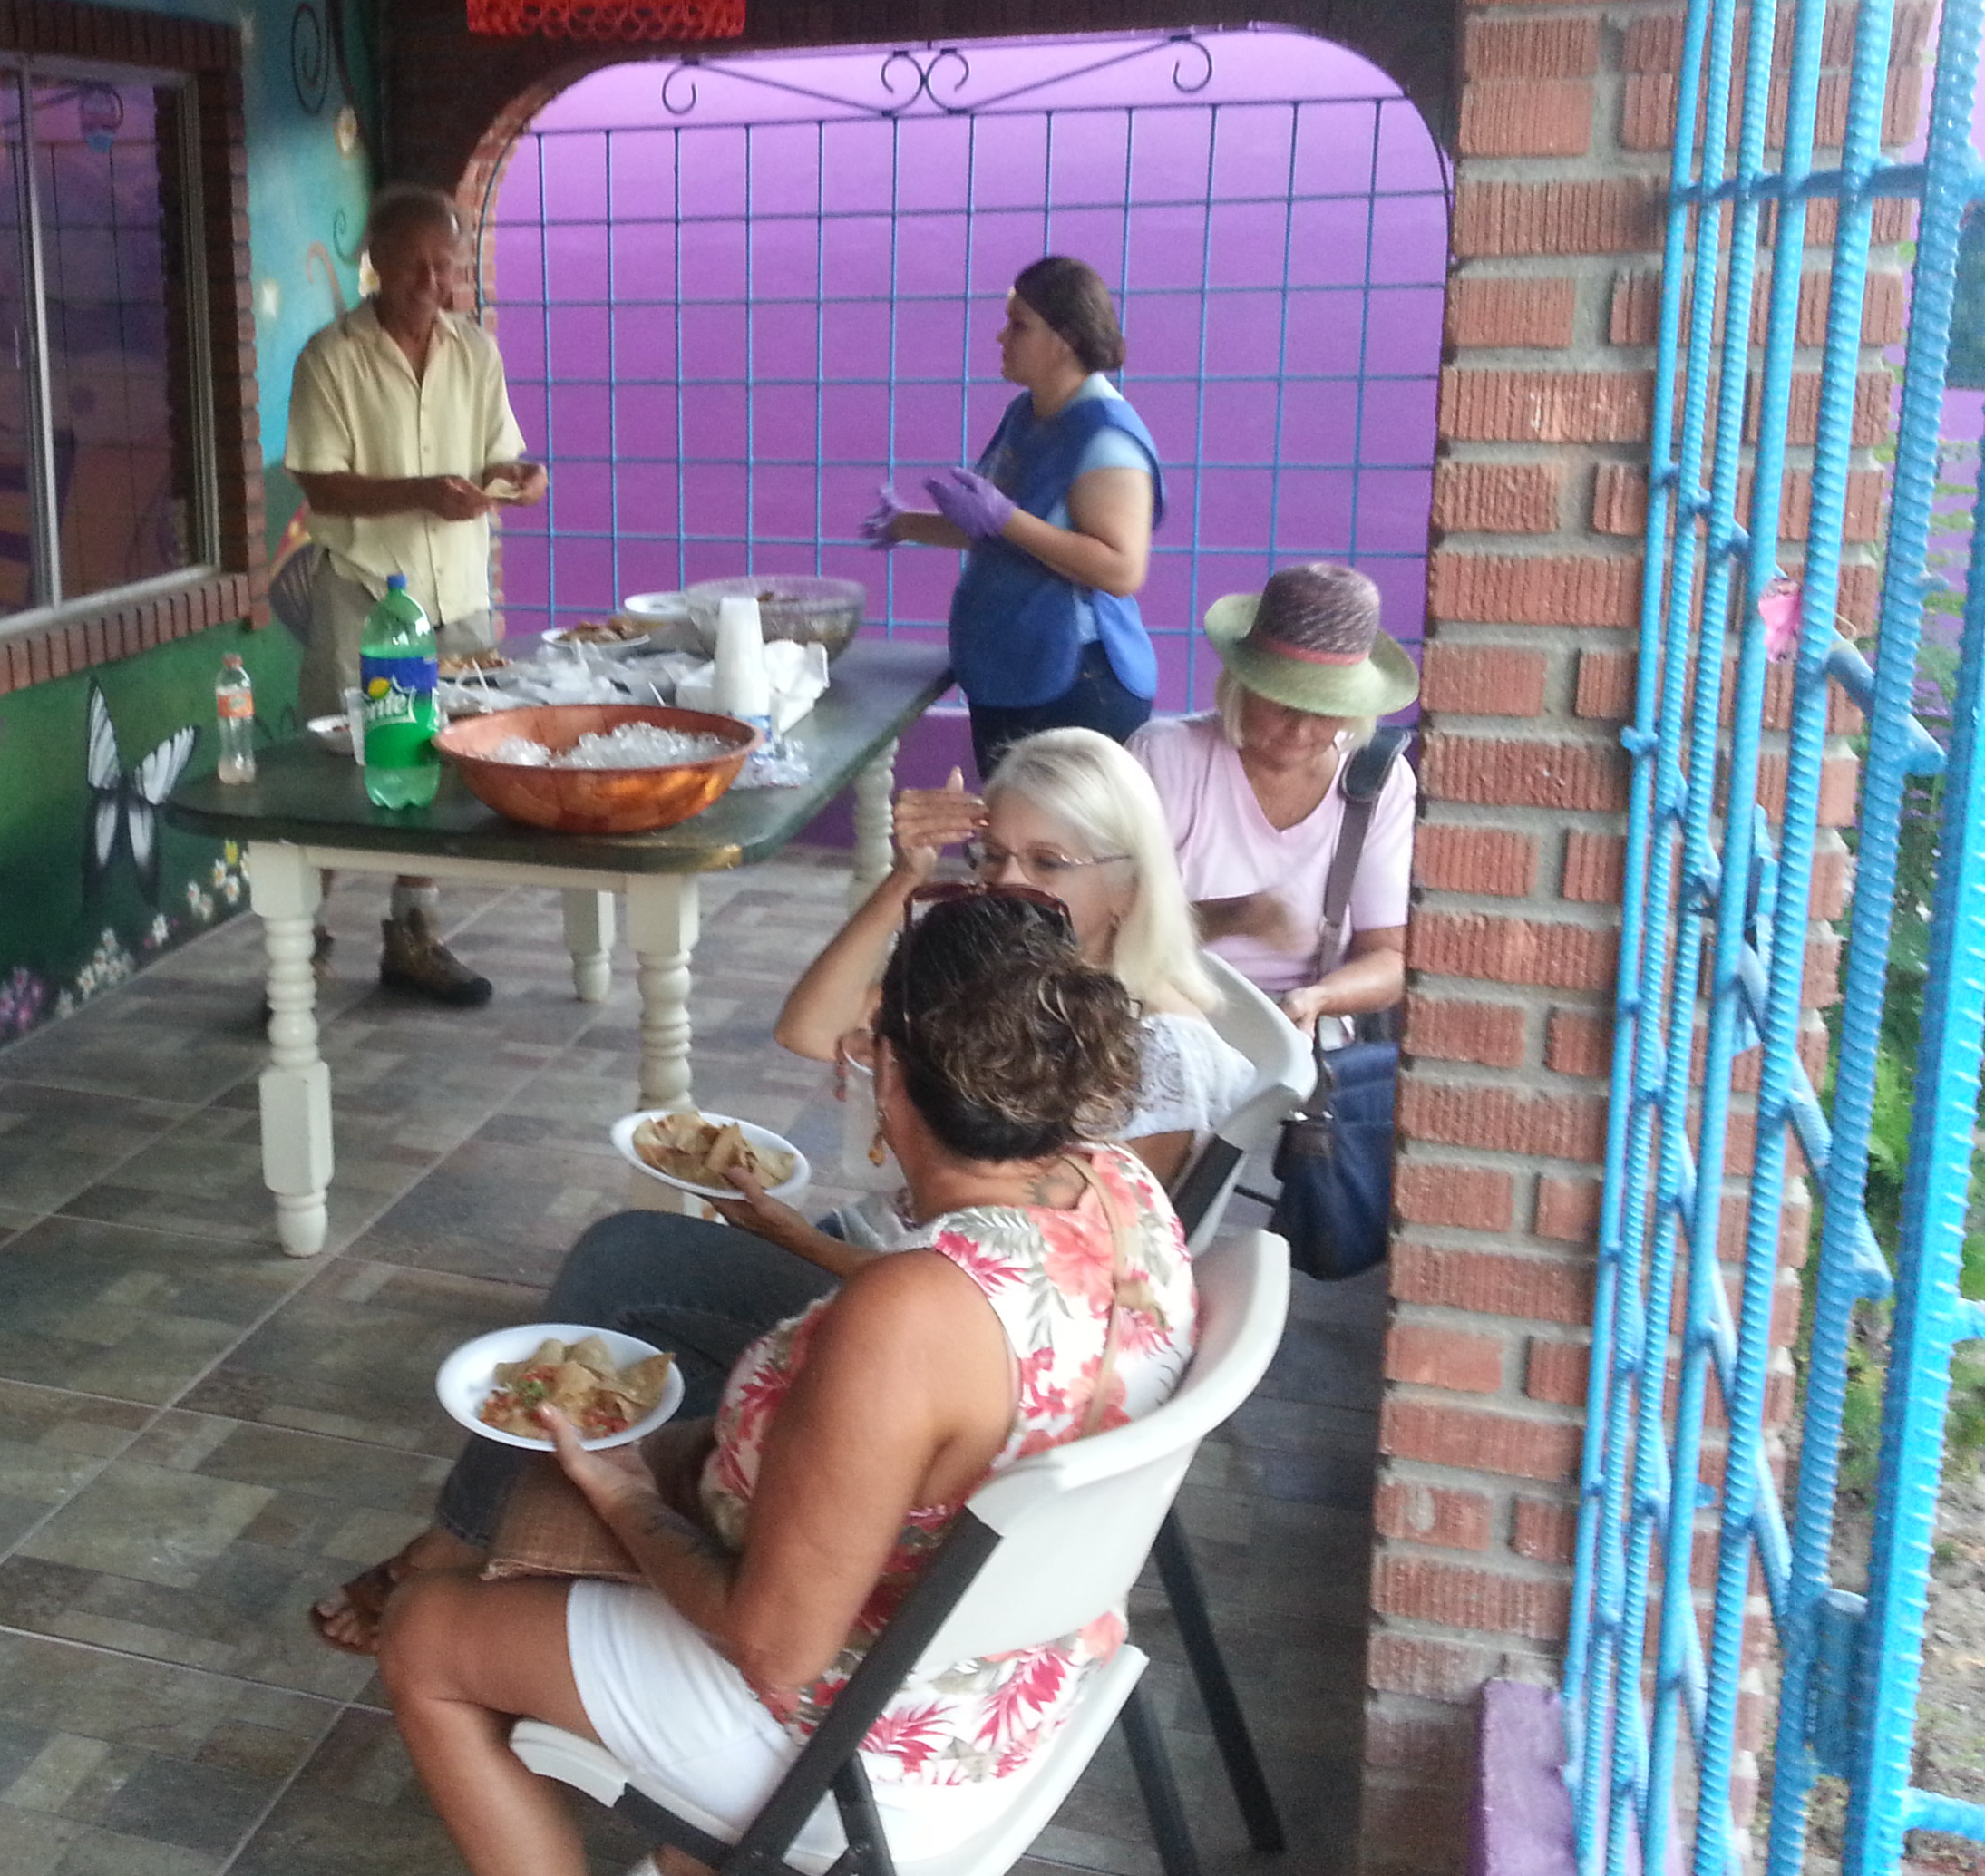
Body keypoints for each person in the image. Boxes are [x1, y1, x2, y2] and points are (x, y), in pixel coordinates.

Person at [309, 728, 1245, 1654]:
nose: (1007, 885)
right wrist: (905, 876)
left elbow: (1018, 1298)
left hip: (933, 1340)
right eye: (991, 855)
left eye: (1046, 863)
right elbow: (810, 1028)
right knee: (633, 1285)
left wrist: (796, 1239)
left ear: (1129, 885)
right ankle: (549, 1530)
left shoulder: (1146, 1056)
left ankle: (468, 1548)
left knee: (628, 1277)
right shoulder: (1004, 996)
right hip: (904, 1280)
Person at [378, 890, 1196, 1876]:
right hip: (1032, 1668)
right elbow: (993, 1318)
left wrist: (626, 1496)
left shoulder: (906, 1318)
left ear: (888, 1072)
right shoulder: (1120, 1187)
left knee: (423, 1632)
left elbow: (773, 1649)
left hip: (878, 1751)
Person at [285, 183, 548, 1006]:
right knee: (341, 767)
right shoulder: (331, 357)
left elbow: (500, 451)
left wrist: (518, 477)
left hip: (457, 595)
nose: (433, 284)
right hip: (363, 593)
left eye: (446, 266)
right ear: (376, 263)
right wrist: (420, 493)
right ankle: (301, 947)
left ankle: (414, 933)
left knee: (443, 768)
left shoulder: (476, 352)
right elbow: (319, 483)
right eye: (414, 267)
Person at [862, 257, 1163, 770]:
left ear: (1065, 339)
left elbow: (1121, 569)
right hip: (1014, 674)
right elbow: (999, 529)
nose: (1002, 337)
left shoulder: (1106, 437)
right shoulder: (1027, 413)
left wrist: (1005, 519)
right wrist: (908, 524)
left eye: (1019, 325)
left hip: (1076, 684)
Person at [1128, 561, 1418, 1034]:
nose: (1300, 730)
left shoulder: (1378, 778)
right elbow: (1108, 925)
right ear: (1243, 684)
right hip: (1167, 1013)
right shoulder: (1165, 755)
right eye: (1282, 704)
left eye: (1326, 710)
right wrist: (1232, 916)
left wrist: (1319, 998)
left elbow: (1388, 956)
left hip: (1305, 1031)